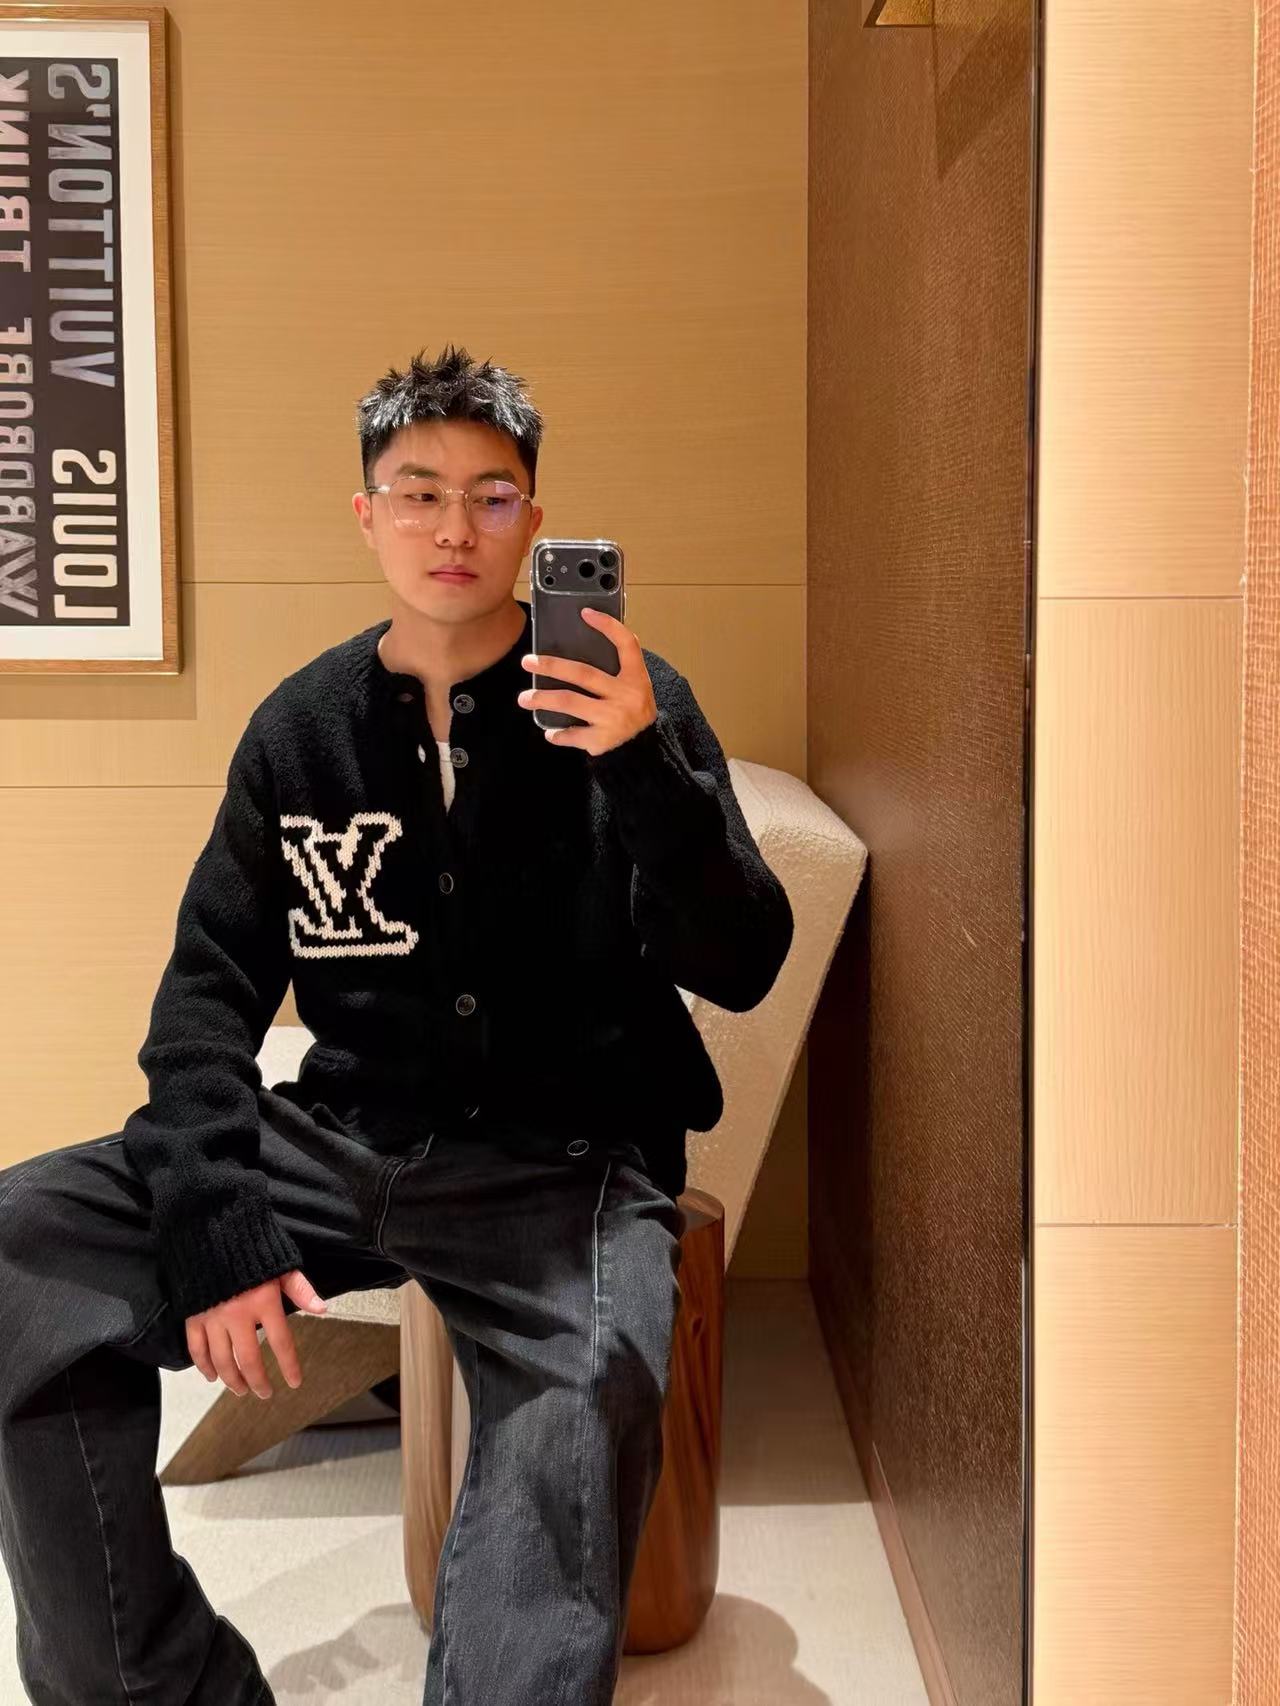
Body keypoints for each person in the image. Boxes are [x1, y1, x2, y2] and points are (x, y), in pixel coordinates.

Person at [0, 342, 794, 1705]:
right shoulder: (300, 733)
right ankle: (156, 1687)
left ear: (535, 524)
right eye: (419, 492)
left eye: (492, 497)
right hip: (343, 1140)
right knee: (25, 1245)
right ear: (366, 515)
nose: (453, 527)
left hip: (562, 1168)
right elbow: (203, 1000)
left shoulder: (634, 702)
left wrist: (643, 767)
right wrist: (215, 1222)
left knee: (584, 1390)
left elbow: (745, 961)